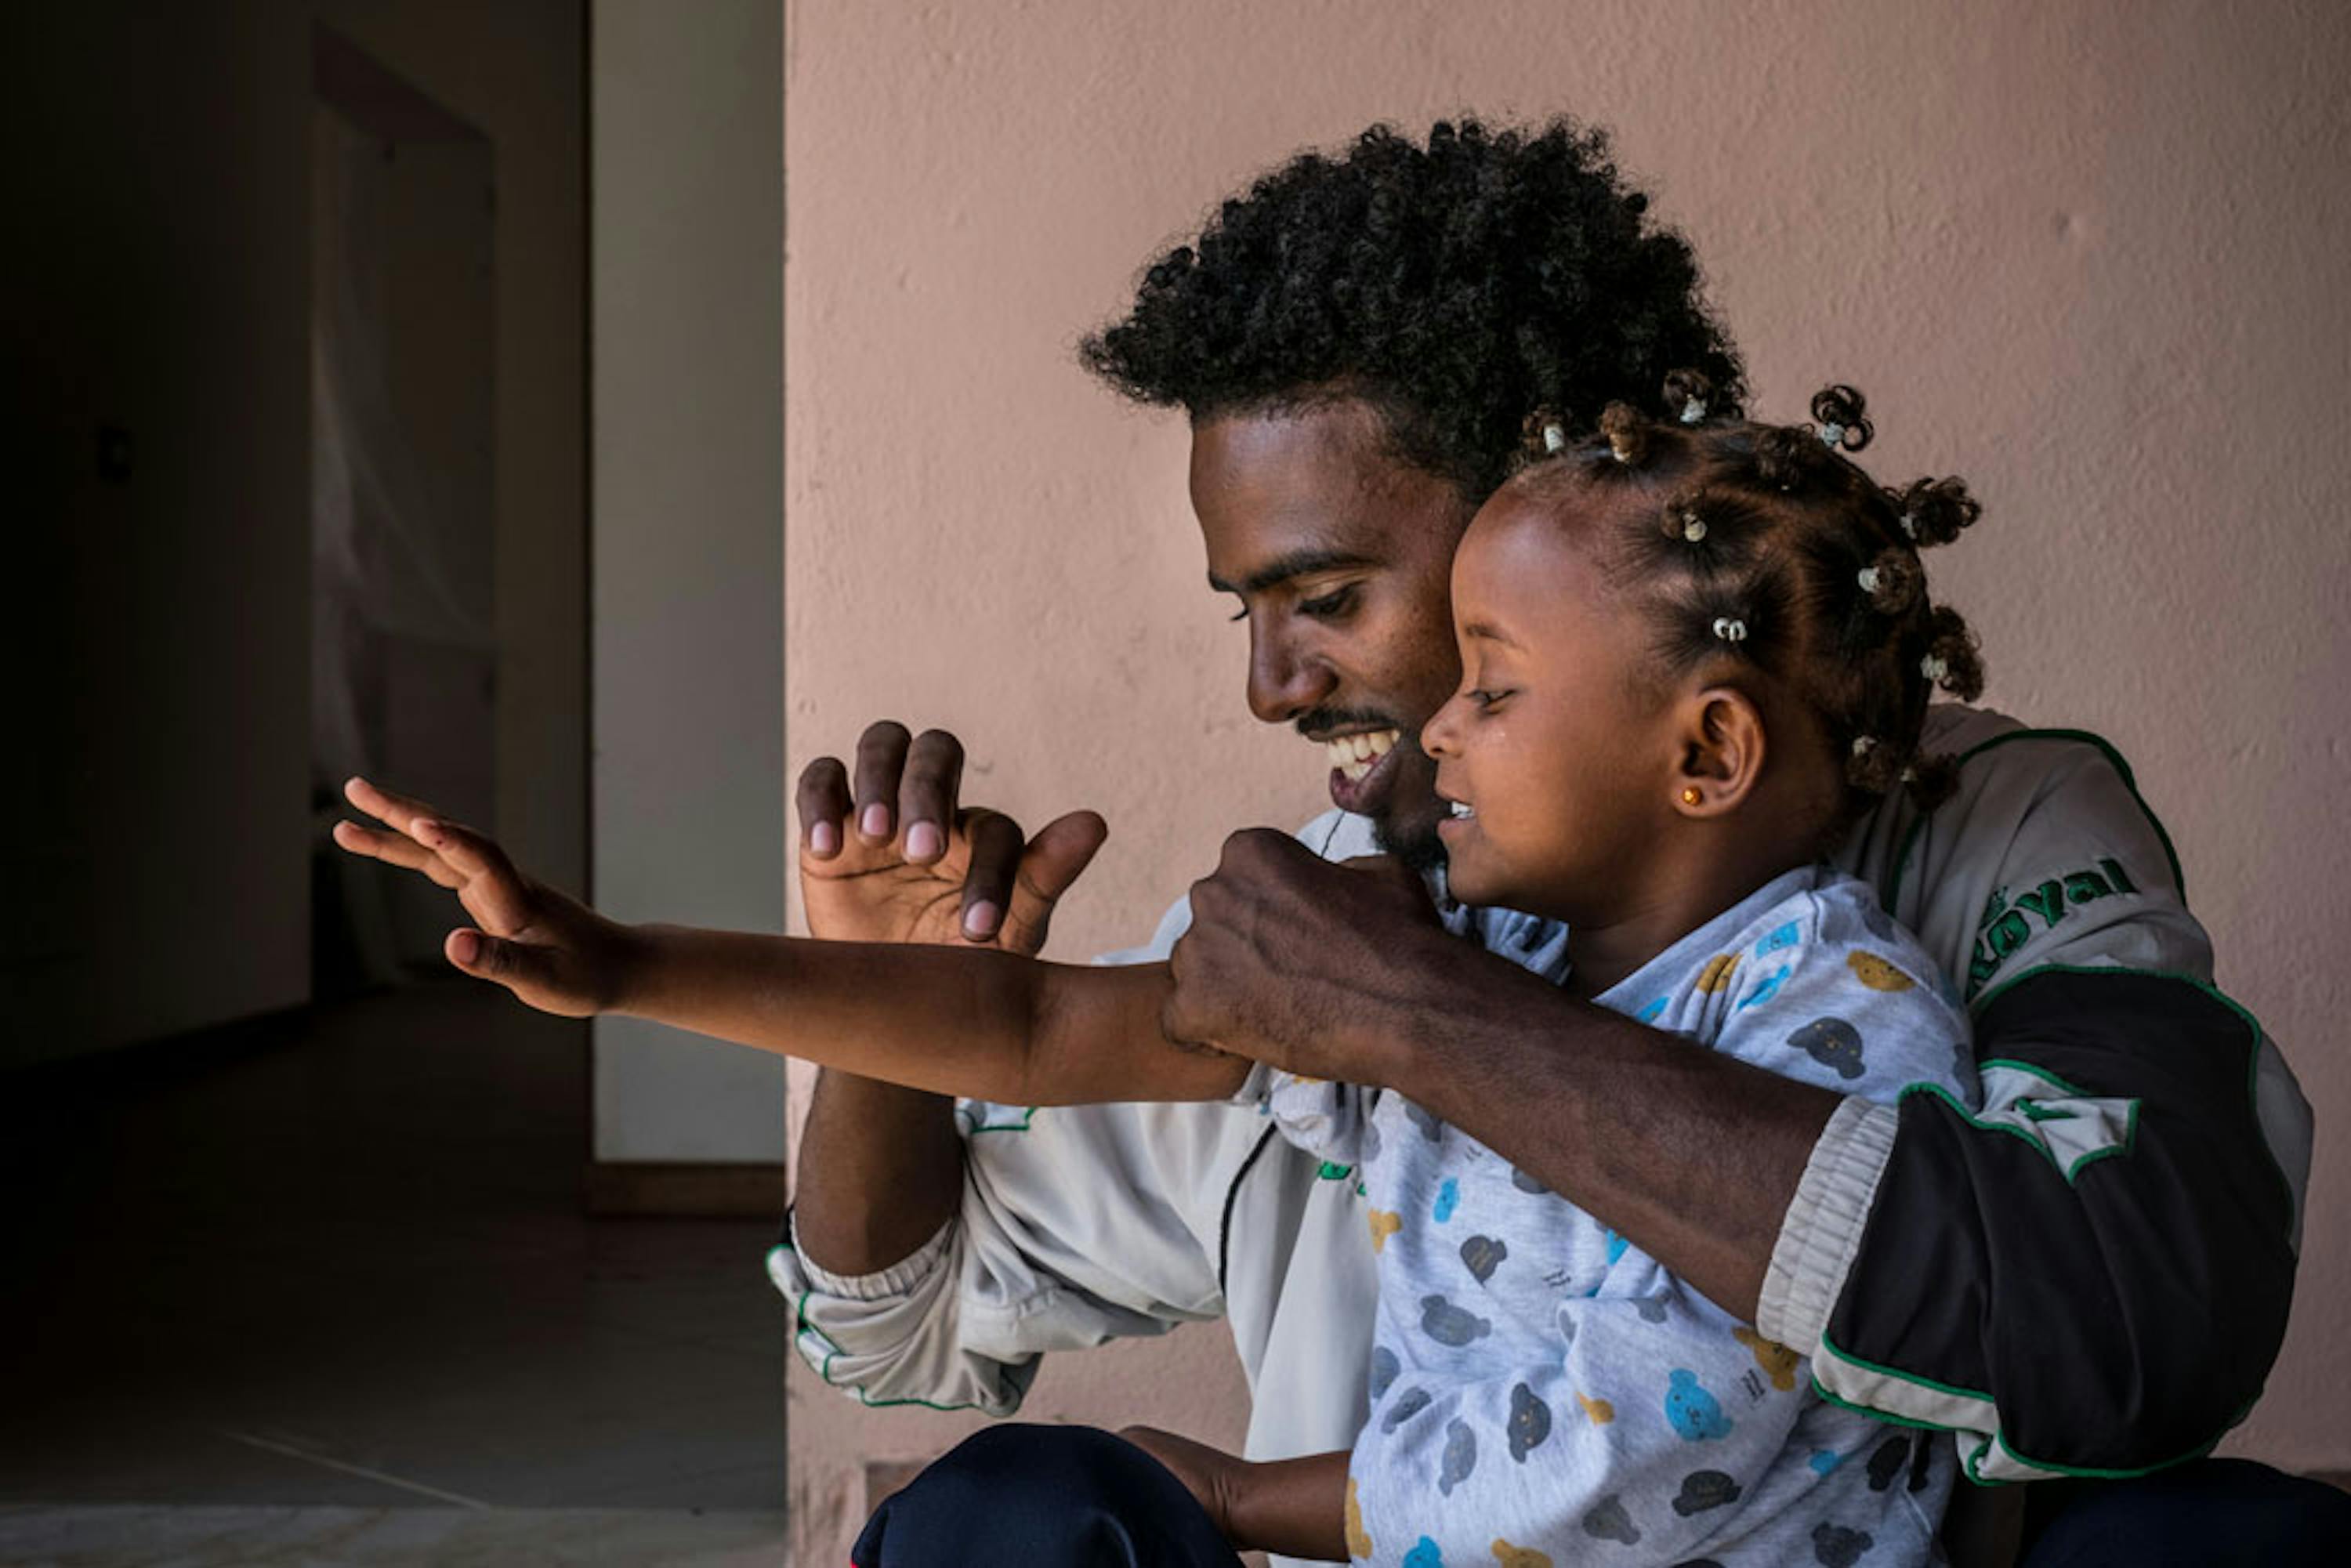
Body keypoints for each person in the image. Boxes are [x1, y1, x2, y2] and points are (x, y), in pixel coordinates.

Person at [775, 121, 2332, 1566]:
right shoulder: (1343, 911)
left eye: (1324, 597)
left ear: (1564, 519)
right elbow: (904, 1319)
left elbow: (2141, 1308)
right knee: (1001, 1519)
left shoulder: (1994, 824)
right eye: (1244, 612)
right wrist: (887, 999)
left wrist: (1427, 1020)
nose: (1268, 687)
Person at [335, 380, 1993, 1565]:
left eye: (1489, 681)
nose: (1428, 724)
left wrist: (1230, 1499)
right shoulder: (1434, 932)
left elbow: (1607, 1476)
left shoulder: (1839, 1022)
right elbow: (1033, 1023)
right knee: (1001, 1511)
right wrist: (625, 959)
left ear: (1705, 746)